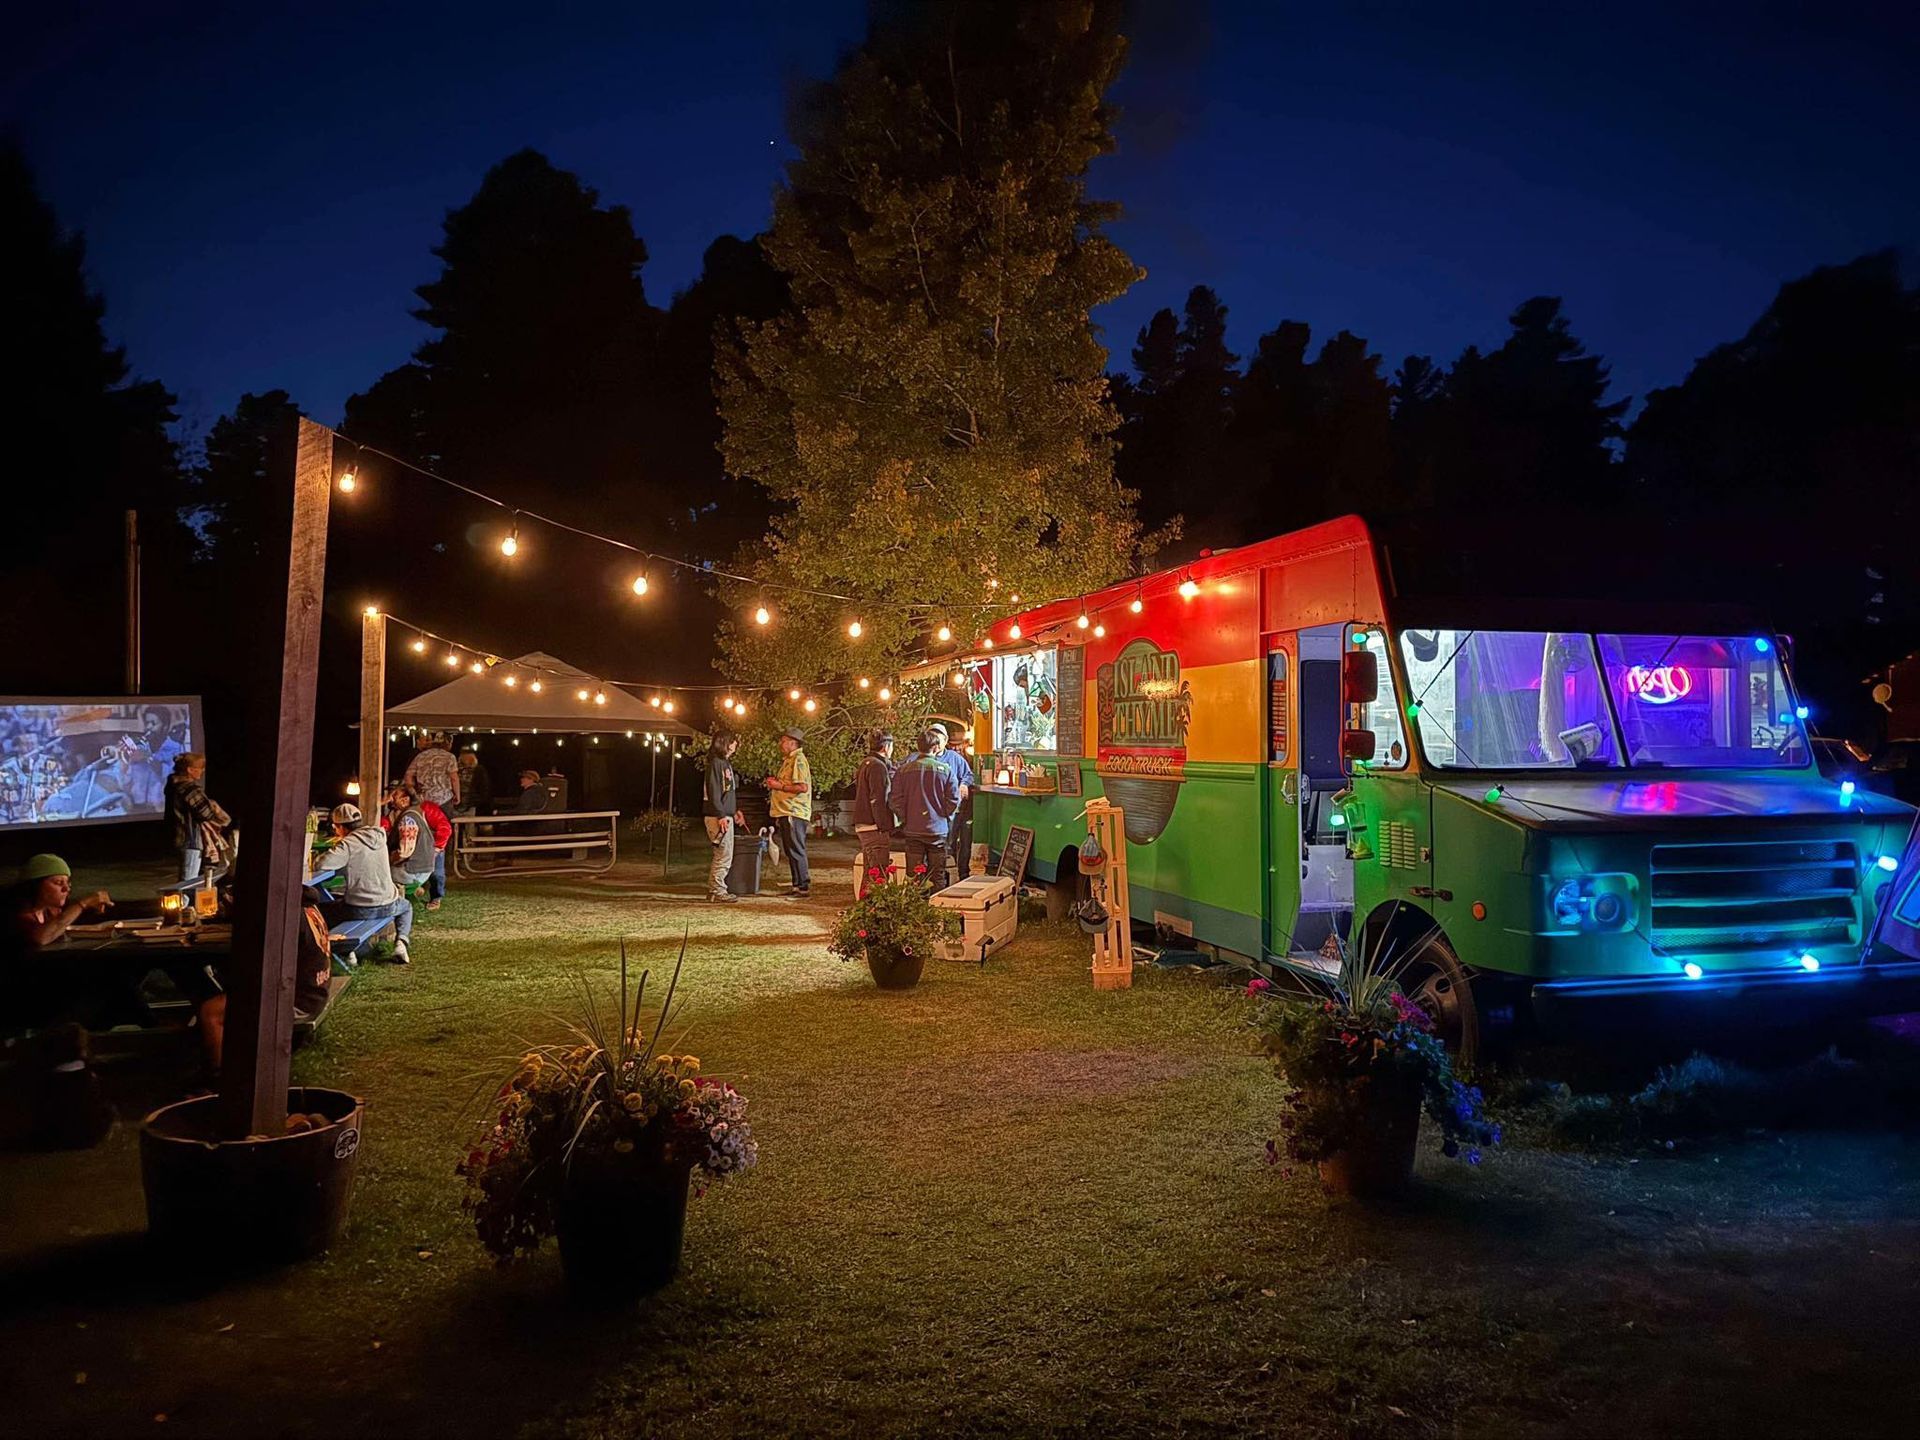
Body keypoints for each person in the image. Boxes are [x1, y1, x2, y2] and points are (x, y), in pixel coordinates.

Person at [2, 855, 225, 1071]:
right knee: (115, 982)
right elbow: (40, 937)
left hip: (61, 989)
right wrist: (82, 903)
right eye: (57, 882)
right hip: (37, 1002)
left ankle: (198, 1021)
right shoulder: (15, 916)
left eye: (68, 883)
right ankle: (168, 1035)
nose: (66, 888)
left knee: (151, 963)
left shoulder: (49, 912)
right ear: (34, 886)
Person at [310, 804, 413, 963]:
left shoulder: (348, 845)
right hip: (389, 903)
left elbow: (321, 864)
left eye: (336, 828)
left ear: (340, 827)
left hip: (360, 909)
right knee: (406, 906)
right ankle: (401, 943)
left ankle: (346, 951)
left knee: (320, 910)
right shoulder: (379, 835)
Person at [889, 730, 960, 891]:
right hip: (937, 830)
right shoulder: (946, 770)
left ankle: (915, 909)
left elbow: (895, 799)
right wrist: (944, 815)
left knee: (913, 876)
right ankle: (937, 910)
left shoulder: (904, 770)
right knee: (937, 875)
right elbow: (954, 799)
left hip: (913, 830)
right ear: (935, 748)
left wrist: (905, 816)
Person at [164, 752, 232, 883]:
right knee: (189, 881)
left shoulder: (174, 786)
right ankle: (185, 903)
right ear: (190, 770)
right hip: (190, 838)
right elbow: (206, 813)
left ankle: (190, 902)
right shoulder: (188, 789)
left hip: (181, 836)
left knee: (190, 877)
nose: (203, 770)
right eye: (200, 767)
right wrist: (213, 806)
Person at [764, 727, 813, 897]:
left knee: (795, 848)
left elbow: (802, 787)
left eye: (783, 741)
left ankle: (803, 886)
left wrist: (780, 786)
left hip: (794, 811)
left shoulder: (798, 760)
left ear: (793, 743)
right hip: (786, 811)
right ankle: (796, 885)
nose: (781, 744)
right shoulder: (789, 760)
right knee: (790, 849)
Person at [851, 730, 898, 897]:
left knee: (869, 872)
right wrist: (884, 825)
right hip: (874, 826)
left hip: (863, 824)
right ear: (886, 747)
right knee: (878, 874)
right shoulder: (878, 766)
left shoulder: (866, 763)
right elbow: (878, 799)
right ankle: (873, 912)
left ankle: (863, 911)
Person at [929, 723, 977, 883]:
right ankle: (940, 879)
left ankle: (962, 874)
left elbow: (969, 775)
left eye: (939, 739)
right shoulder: (924, 758)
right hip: (933, 813)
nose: (936, 742)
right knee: (940, 846)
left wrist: (964, 784)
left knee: (961, 842)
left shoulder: (955, 758)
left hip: (955, 810)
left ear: (946, 740)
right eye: (932, 738)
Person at [703, 733, 747, 903]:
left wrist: (734, 811)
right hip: (717, 816)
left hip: (725, 814)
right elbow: (714, 791)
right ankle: (717, 890)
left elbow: (727, 792)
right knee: (723, 854)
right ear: (725, 743)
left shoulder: (725, 764)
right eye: (733, 742)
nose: (736, 745)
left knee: (724, 853)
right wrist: (721, 814)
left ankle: (715, 889)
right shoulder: (716, 764)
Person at [379, 784, 438, 897]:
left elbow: (405, 852)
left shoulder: (408, 819)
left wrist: (387, 861)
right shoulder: (418, 812)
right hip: (423, 869)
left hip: (413, 871)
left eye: (394, 795)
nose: (390, 799)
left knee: (375, 872)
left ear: (405, 800)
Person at [402, 733, 461, 813]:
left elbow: (408, 776)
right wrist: (457, 795)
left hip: (424, 799)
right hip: (444, 799)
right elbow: (454, 778)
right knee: (445, 824)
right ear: (448, 743)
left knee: (425, 824)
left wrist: (414, 794)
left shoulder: (421, 756)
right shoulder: (450, 757)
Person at [455, 751, 493, 817]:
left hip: (471, 804)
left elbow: (484, 787)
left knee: (470, 824)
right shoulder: (457, 770)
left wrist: (477, 801)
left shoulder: (479, 770)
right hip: (458, 803)